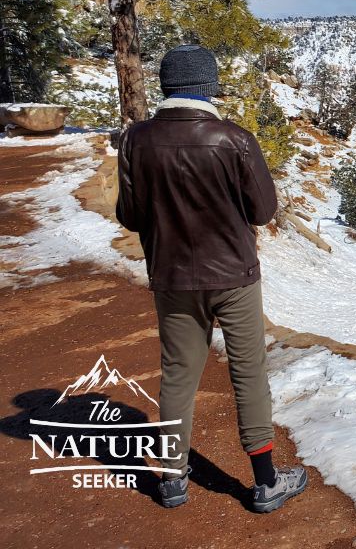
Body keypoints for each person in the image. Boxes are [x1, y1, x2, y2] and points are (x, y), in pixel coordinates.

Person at [116, 45, 307, 513]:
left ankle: (173, 480)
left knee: (178, 375)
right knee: (248, 373)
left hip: (172, 275)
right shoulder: (234, 139)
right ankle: (265, 482)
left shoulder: (135, 140)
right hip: (234, 277)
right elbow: (263, 210)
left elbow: (130, 215)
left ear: (167, 87)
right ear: (208, 87)